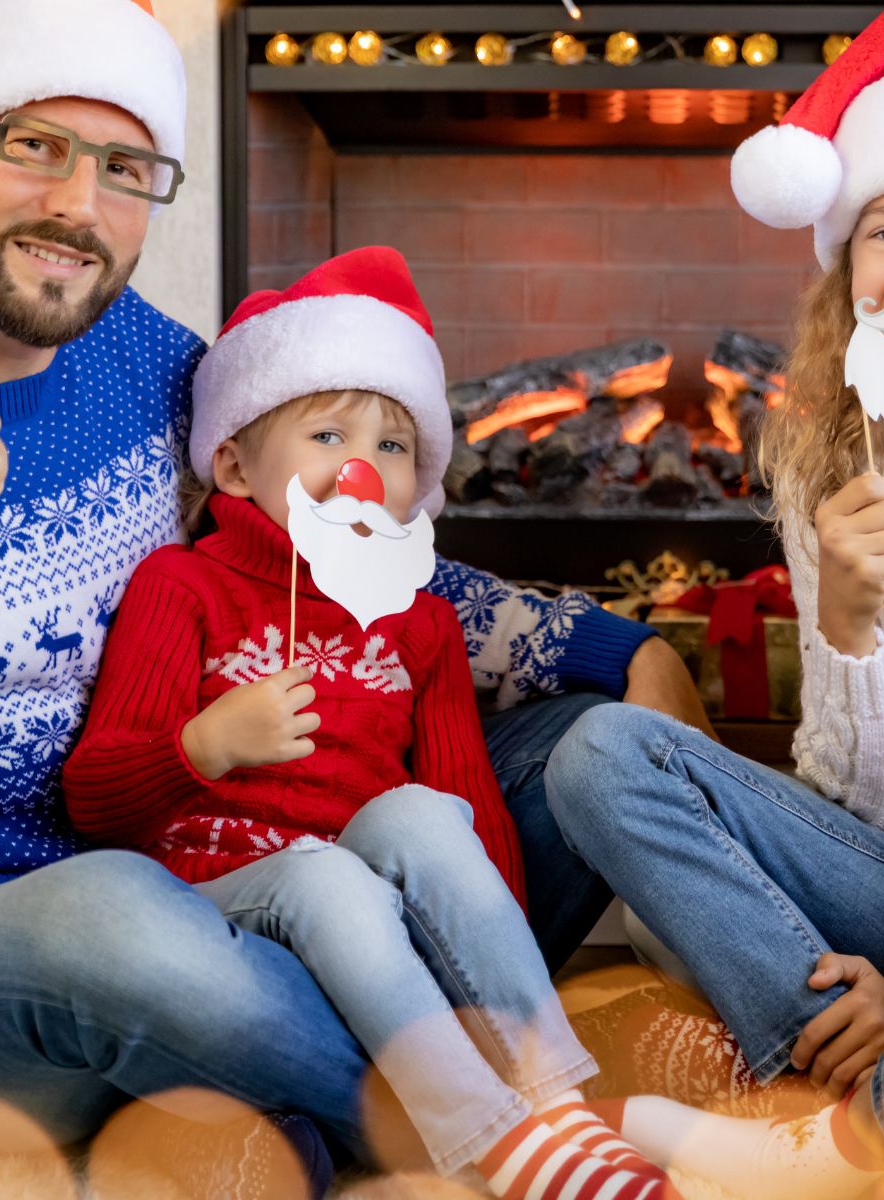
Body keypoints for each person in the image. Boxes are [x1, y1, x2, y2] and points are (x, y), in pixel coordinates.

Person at [0, 1, 709, 1189]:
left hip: (229, 862)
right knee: (125, 920)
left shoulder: (140, 361)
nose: (79, 205)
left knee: (573, 753)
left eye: (125, 169)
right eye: (34, 144)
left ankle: (272, 1105)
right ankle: (513, 1126)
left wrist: (600, 645)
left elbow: (324, 537)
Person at [545, 0, 884, 1196]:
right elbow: (859, 805)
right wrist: (845, 629)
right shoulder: (830, 462)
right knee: (605, 756)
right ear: (848, 266)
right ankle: (863, 1095)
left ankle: (860, 1137)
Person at [65, 246, 686, 1200]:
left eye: (391, 447)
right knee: (328, 884)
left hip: (375, 932)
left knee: (422, 818)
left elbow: (469, 817)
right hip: (216, 911)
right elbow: (94, 798)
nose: (361, 467)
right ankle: (492, 1140)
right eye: (326, 436)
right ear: (232, 463)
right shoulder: (180, 586)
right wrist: (207, 745)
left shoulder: (424, 620)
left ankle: (556, 1104)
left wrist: (489, 955)